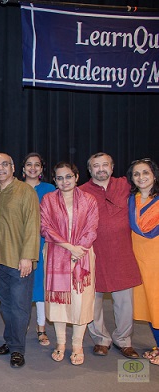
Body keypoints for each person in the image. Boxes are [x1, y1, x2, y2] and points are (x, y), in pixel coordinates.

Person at [80, 152, 141, 359]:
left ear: (112, 168)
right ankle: (100, 339)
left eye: (105, 165)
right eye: (96, 166)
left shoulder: (125, 185)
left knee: (125, 302)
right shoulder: (82, 192)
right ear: (90, 170)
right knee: (93, 301)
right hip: (94, 255)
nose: (101, 169)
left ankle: (124, 340)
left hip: (122, 254)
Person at [0, 153, 40, 368]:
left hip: (20, 261)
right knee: (6, 306)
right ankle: (10, 342)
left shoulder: (26, 191)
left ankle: (18, 349)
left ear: (14, 167)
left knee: (19, 307)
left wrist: (28, 257)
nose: (1, 169)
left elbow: (33, 226)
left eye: (5, 164)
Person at [41, 162, 99, 366]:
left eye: (68, 177)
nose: (64, 181)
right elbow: (45, 227)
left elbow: (92, 228)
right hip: (57, 253)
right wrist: (69, 247)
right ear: (54, 181)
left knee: (80, 301)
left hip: (83, 255)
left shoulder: (89, 200)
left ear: (76, 177)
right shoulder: (48, 199)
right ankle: (60, 343)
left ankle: (77, 345)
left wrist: (78, 250)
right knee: (59, 302)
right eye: (59, 178)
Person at [127, 158, 159, 365]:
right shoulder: (131, 201)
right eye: (136, 174)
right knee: (149, 304)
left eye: (145, 172)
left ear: (154, 176)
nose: (141, 177)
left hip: (157, 259)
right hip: (139, 260)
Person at [22, 153, 56, 346]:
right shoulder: (16, 188)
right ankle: (21, 325)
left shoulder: (50, 189)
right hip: (21, 245)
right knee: (22, 288)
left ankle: (41, 329)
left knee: (41, 288)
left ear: (42, 169)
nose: (33, 168)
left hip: (44, 244)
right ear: (23, 168)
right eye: (29, 164)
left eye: (37, 165)